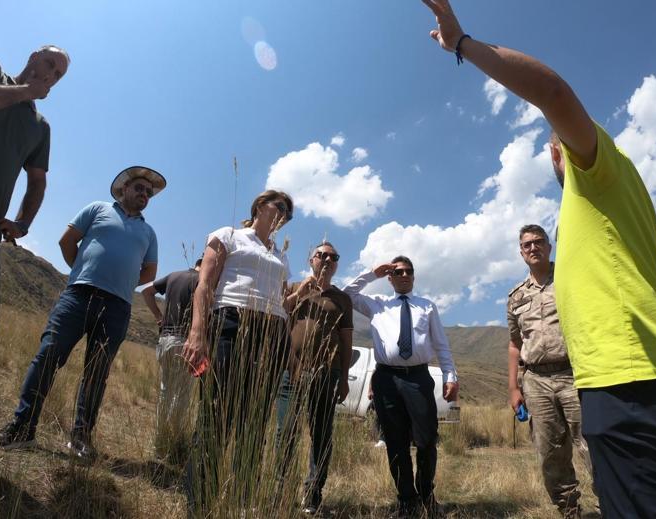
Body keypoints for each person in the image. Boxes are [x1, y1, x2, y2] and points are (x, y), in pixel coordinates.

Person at [420, 2, 656, 517]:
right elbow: (513, 341)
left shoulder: (596, 169)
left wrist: (462, 44)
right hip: (617, 377)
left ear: (557, 152)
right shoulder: (597, 202)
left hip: (629, 375)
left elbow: (552, 93)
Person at [0, 167, 164, 460]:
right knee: (48, 356)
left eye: (148, 192)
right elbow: (66, 241)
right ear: (124, 189)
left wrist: (120, 281)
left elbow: (149, 271)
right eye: (139, 188)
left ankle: (81, 438)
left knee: (97, 372)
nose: (144, 194)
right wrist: (81, 272)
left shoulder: (149, 232)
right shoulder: (98, 209)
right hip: (79, 296)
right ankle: (22, 428)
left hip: (118, 307)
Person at [181, 190, 293, 514]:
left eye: (288, 211)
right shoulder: (227, 235)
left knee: (254, 421)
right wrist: (197, 332)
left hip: (272, 333)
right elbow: (205, 285)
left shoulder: (281, 255)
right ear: (259, 206)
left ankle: (241, 501)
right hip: (231, 323)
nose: (283, 212)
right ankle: (199, 502)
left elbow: (278, 298)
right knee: (217, 415)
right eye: (279, 205)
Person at [0, 45, 70, 388]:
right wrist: (25, 92)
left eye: (57, 74)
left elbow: (37, 181)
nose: (50, 74)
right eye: (48, 63)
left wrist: (22, 223)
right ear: (33, 56)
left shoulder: (39, 127)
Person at [344, 256, 459, 518]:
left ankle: (427, 497)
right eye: (398, 271)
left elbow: (441, 344)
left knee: (427, 440)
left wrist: (450, 375)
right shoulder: (377, 305)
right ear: (390, 277)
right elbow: (347, 294)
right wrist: (371, 274)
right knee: (395, 443)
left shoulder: (426, 307)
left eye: (408, 271)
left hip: (418, 378)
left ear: (414, 277)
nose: (404, 275)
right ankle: (407, 502)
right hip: (387, 380)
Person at [507, 224, 594, 518]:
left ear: (549, 246)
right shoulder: (515, 297)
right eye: (527, 244)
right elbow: (515, 344)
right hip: (536, 381)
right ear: (521, 252)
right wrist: (514, 388)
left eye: (539, 242)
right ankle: (569, 509)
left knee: (592, 443)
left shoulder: (571, 279)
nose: (533, 248)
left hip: (575, 374)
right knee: (549, 452)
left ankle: (609, 503)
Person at [275, 241, 353, 515]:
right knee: (284, 433)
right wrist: (300, 295)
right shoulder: (294, 287)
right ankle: (279, 493)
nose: (327, 259)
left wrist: (343, 378)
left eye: (333, 256)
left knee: (321, 436)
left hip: (326, 374)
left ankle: (312, 495)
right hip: (292, 373)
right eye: (321, 255)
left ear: (336, 264)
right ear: (311, 260)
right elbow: (278, 312)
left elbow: (346, 340)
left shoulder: (342, 299)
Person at [142, 258, 202, 459]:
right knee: (181, 396)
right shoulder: (204, 281)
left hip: (165, 340)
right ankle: (171, 443)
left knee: (165, 392)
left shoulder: (174, 275)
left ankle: (159, 444)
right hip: (186, 342)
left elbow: (146, 292)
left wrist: (160, 318)